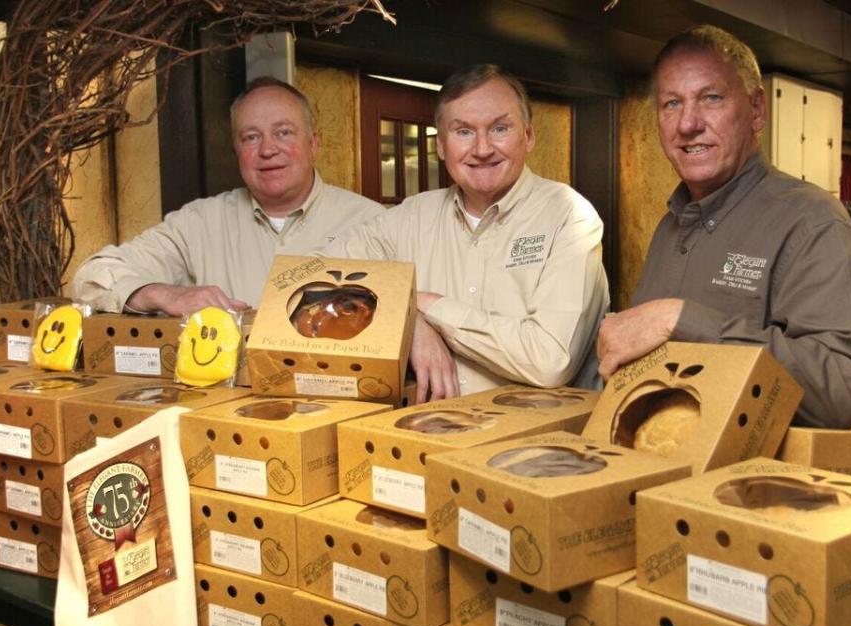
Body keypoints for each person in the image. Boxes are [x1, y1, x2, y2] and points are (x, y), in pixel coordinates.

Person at [597, 25, 851, 428]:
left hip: (752, 486)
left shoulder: (811, 220)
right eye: (671, 104)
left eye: (711, 98)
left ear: (757, 110)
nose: (688, 124)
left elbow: (845, 390)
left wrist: (682, 321)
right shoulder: (669, 227)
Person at [327, 64, 609, 403]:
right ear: (441, 146)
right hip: (428, 436)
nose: (482, 149)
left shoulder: (568, 216)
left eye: (500, 128)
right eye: (463, 132)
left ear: (529, 136)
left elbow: (550, 361)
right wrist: (409, 319)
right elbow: (316, 274)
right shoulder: (411, 216)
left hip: (541, 443)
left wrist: (430, 305)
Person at [72, 77, 384, 315]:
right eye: (251, 137)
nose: (267, 149)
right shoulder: (198, 223)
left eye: (283, 132)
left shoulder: (371, 222)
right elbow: (91, 277)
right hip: (223, 395)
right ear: (236, 151)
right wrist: (166, 294)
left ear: (314, 144)